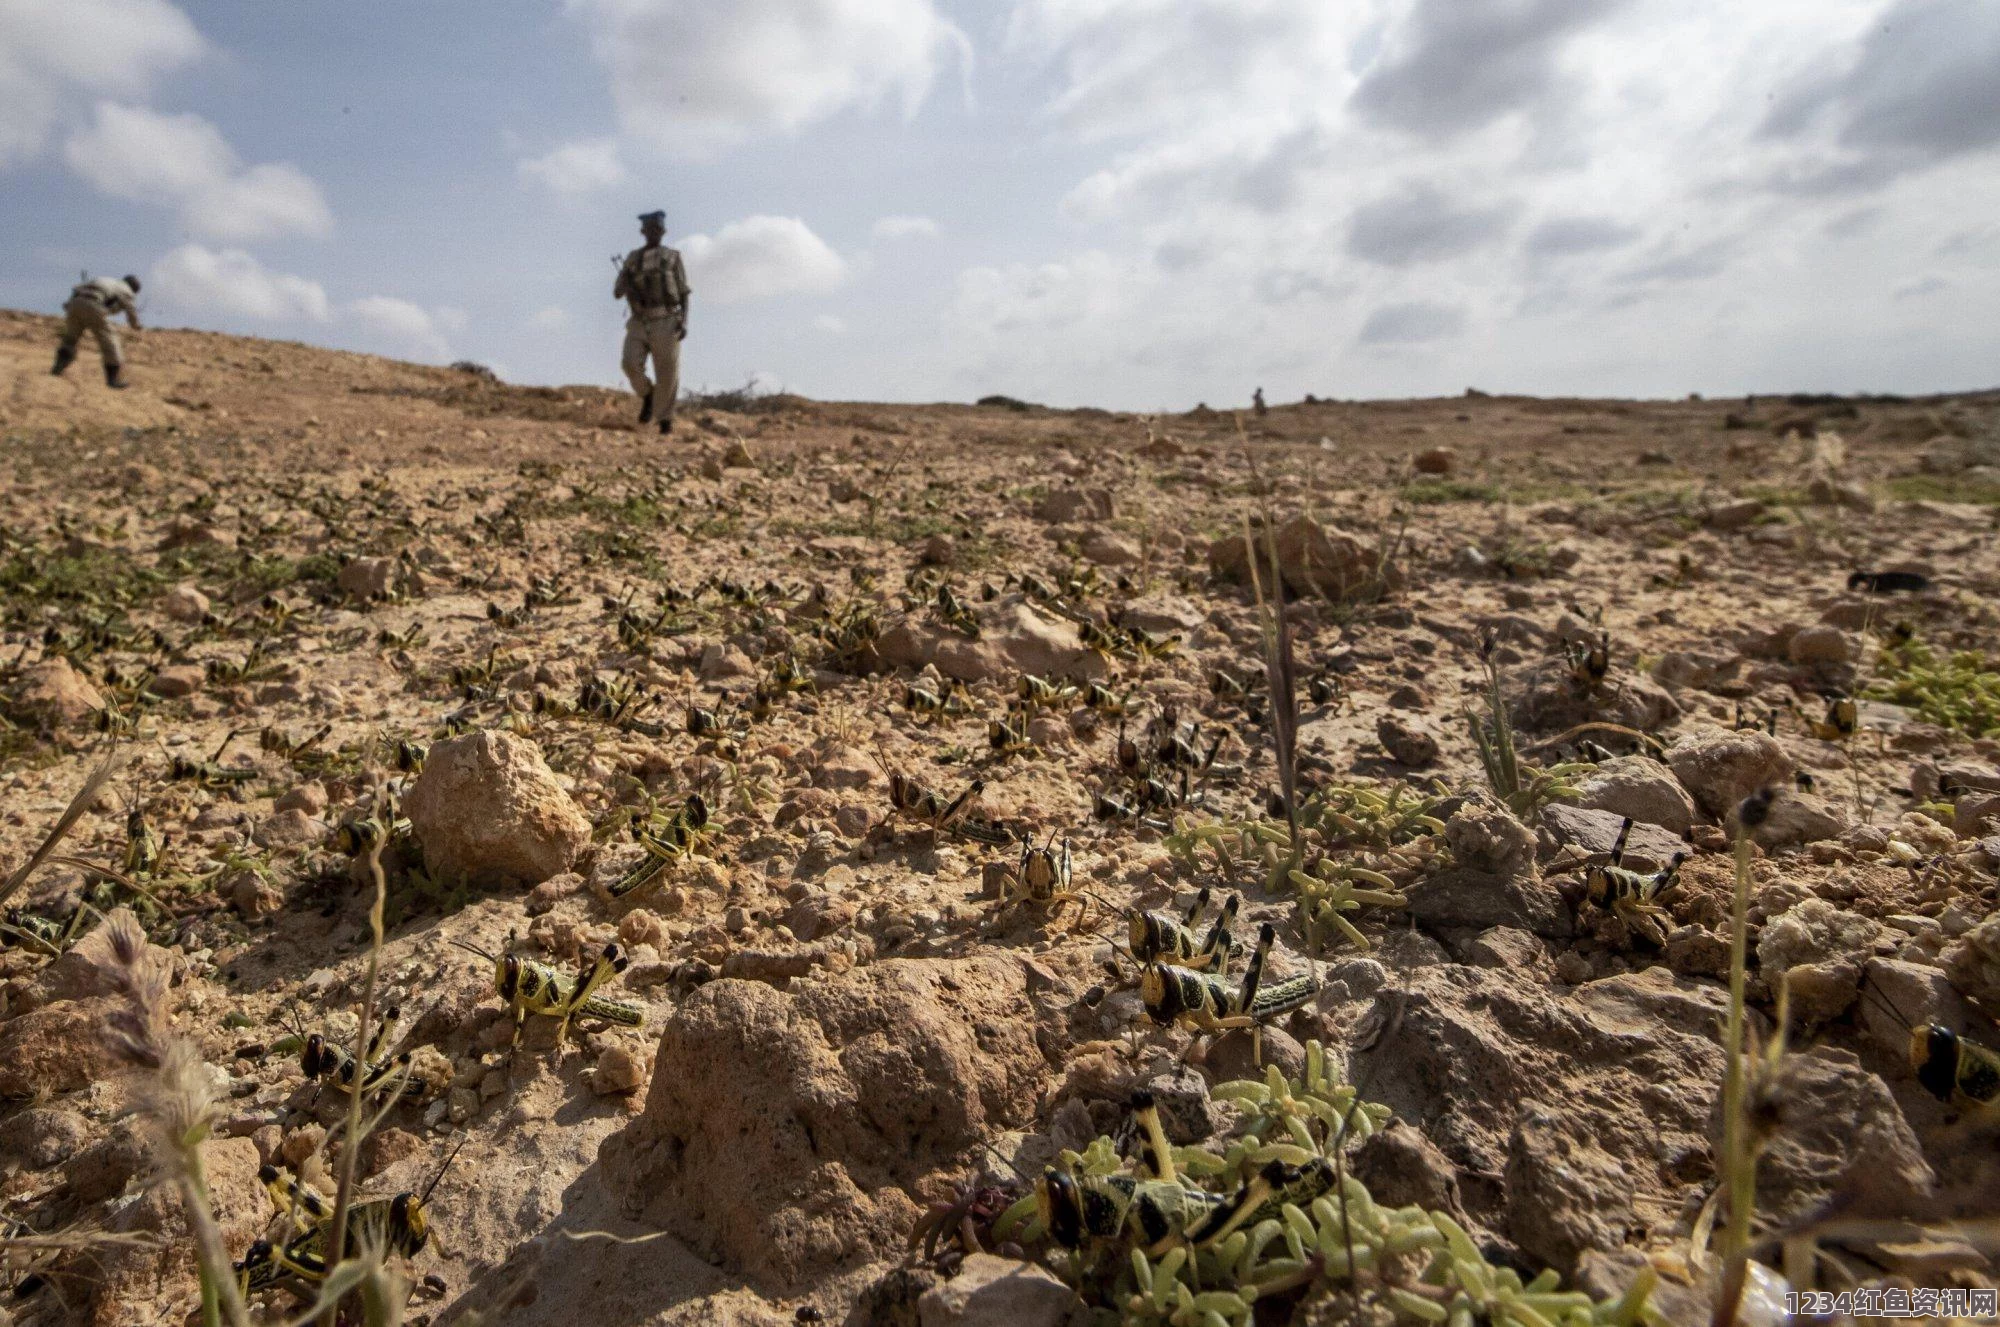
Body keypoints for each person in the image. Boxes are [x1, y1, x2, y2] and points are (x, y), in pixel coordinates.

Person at [613, 211, 691, 434]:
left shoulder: (673, 257)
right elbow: (617, 291)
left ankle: (665, 421)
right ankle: (647, 395)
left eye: (657, 229)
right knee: (629, 363)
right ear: (643, 232)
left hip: (667, 319)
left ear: (663, 231)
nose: (653, 233)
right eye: (649, 230)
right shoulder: (632, 259)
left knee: (667, 373)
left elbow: (684, 292)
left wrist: (684, 321)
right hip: (640, 319)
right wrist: (628, 285)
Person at [53, 274, 142, 389]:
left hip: (75, 304)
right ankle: (112, 379)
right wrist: (135, 325)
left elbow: (76, 289)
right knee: (110, 341)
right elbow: (130, 309)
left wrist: (69, 304)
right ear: (133, 288)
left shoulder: (105, 280)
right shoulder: (126, 290)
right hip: (94, 305)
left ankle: (57, 369)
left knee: (70, 339)